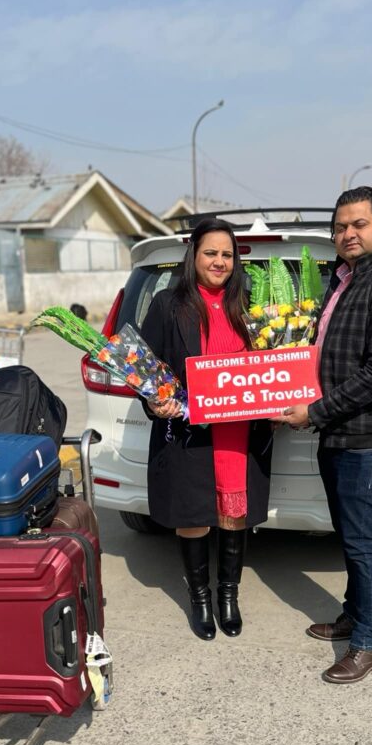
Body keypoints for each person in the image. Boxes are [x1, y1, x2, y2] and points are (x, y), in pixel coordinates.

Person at [277, 186, 372, 684]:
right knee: (348, 532)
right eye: (340, 227)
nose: (347, 234)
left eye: (358, 224)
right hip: (340, 429)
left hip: (368, 433)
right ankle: (353, 615)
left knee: (363, 540)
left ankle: (368, 643)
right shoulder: (349, 280)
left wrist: (315, 410)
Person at [140, 217, 273, 641]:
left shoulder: (251, 305)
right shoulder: (167, 304)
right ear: (193, 256)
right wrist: (153, 400)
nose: (219, 262)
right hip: (189, 433)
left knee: (235, 515)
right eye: (210, 253)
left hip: (240, 431)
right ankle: (200, 599)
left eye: (227, 255)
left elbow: (274, 363)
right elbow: (145, 366)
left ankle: (228, 596)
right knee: (194, 515)